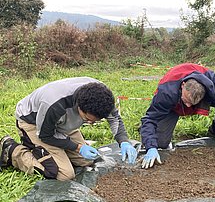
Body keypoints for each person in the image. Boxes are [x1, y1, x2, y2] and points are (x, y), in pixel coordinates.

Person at [0, 77, 137, 181]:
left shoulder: (102, 95)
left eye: (95, 121)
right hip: (34, 123)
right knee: (64, 174)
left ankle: (57, 154)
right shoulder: (54, 103)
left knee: (87, 161)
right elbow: (46, 135)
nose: (90, 123)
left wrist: (123, 141)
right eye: (87, 119)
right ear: (79, 105)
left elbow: (114, 118)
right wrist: (77, 147)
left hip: (63, 123)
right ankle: (11, 150)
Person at [140, 63, 215, 172]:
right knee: (160, 143)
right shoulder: (166, 92)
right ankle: (154, 141)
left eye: (192, 104)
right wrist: (150, 147)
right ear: (183, 85)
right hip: (173, 105)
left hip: (202, 93)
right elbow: (150, 119)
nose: (188, 106)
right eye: (186, 101)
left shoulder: (211, 82)